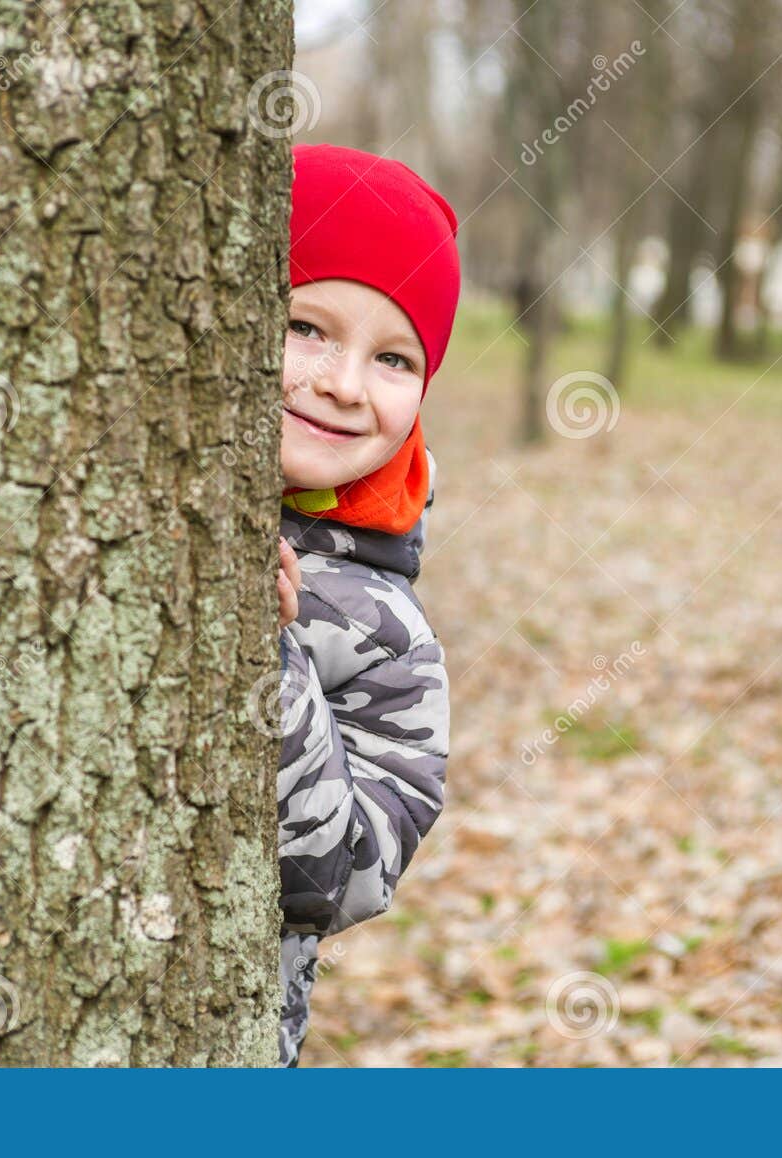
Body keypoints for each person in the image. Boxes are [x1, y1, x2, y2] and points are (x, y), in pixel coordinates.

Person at [271, 142, 460, 1067]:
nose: (343, 385)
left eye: (392, 357)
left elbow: (341, 878)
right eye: (306, 327)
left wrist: (267, 661)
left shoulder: (390, 637)